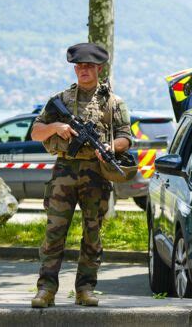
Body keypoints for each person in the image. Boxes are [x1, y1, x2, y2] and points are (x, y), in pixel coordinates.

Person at [31, 42, 132, 308]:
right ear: (75, 69)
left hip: (96, 173)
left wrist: (111, 147)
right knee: (54, 232)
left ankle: (85, 289)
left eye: (89, 66)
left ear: (99, 68)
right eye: (80, 66)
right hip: (64, 170)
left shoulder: (113, 102)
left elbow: (126, 138)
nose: (84, 71)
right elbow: (36, 132)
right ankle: (46, 290)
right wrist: (56, 126)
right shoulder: (61, 100)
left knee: (92, 233)